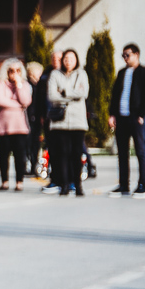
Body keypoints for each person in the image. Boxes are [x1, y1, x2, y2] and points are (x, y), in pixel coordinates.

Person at [108, 42, 145, 199]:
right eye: (123, 55)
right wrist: (112, 114)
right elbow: (115, 95)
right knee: (122, 152)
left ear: (136, 55)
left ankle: (143, 185)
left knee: (141, 151)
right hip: (121, 118)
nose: (125, 58)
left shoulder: (144, 73)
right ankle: (123, 184)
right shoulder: (122, 73)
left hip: (136, 118)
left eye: (127, 55)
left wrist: (142, 114)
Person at [45, 49, 88, 197]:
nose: (68, 61)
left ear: (76, 60)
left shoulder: (81, 74)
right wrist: (72, 95)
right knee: (62, 154)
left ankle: (77, 184)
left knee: (77, 154)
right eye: (66, 58)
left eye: (71, 58)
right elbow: (52, 96)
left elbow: (84, 93)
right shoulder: (55, 74)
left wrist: (63, 92)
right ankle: (63, 185)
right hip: (60, 122)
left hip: (77, 121)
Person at [0, 58, 34, 191]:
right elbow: (0, 100)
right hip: (3, 126)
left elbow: (26, 101)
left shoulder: (25, 85)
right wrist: (17, 105)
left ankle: (19, 181)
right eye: (11, 71)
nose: (14, 73)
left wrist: (18, 84)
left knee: (19, 155)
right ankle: (4, 180)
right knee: (3, 155)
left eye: (18, 70)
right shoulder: (0, 84)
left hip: (19, 126)